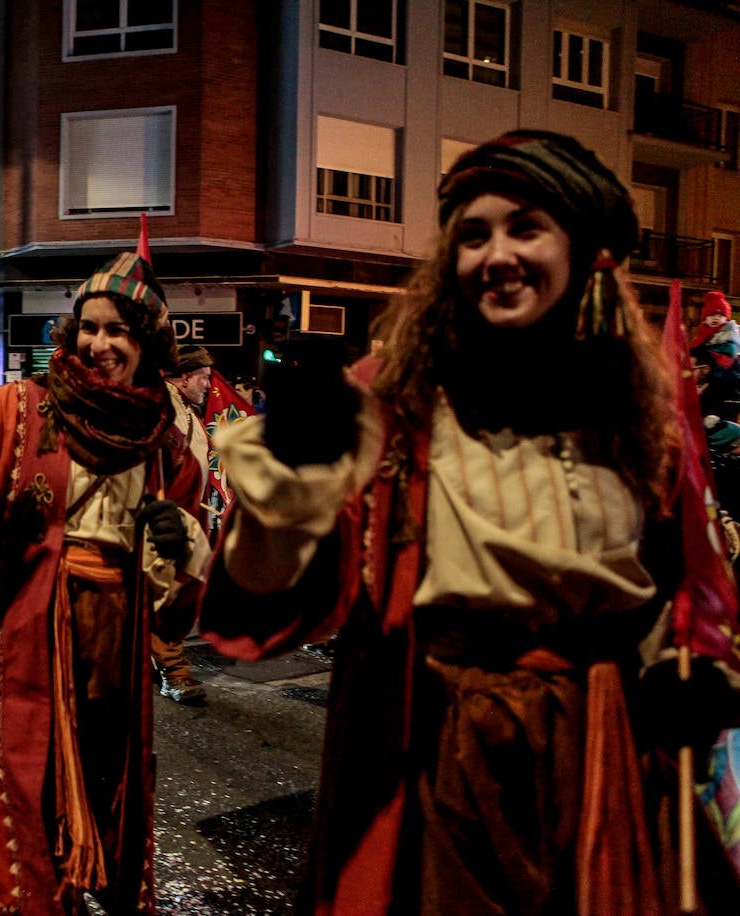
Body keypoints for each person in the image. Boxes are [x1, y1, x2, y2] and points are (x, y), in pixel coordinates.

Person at [198, 129, 740, 913]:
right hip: (434, 739)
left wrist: (691, 672)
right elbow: (274, 595)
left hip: (599, 744)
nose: (497, 254)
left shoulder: (641, 414)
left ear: (588, 251)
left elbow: (689, 586)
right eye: (474, 235)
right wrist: (283, 499)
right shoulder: (390, 398)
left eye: (525, 227)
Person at [0, 252, 210, 914]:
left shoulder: (165, 440)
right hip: (17, 660)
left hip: (111, 669)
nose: (100, 344)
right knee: (18, 842)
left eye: (120, 333)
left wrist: (179, 551)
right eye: (90, 327)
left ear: (146, 345)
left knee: (104, 827)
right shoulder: (20, 411)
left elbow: (175, 612)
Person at [154, 344, 215, 705]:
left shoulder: (185, 412)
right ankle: (172, 669)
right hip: (167, 523)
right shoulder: (162, 410)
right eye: (204, 378)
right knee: (169, 596)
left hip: (190, 517)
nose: (208, 385)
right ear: (184, 377)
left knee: (178, 593)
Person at [691, 290, 740, 418]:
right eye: (711, 314)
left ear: (726, 318)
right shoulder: (703, 338)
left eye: (720, 315)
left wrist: (706, 384)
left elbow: (724, 365)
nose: (715, 318)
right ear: (705, 318)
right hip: (708, 381)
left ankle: (714, 417)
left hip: (727, 383)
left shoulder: (730, 339)